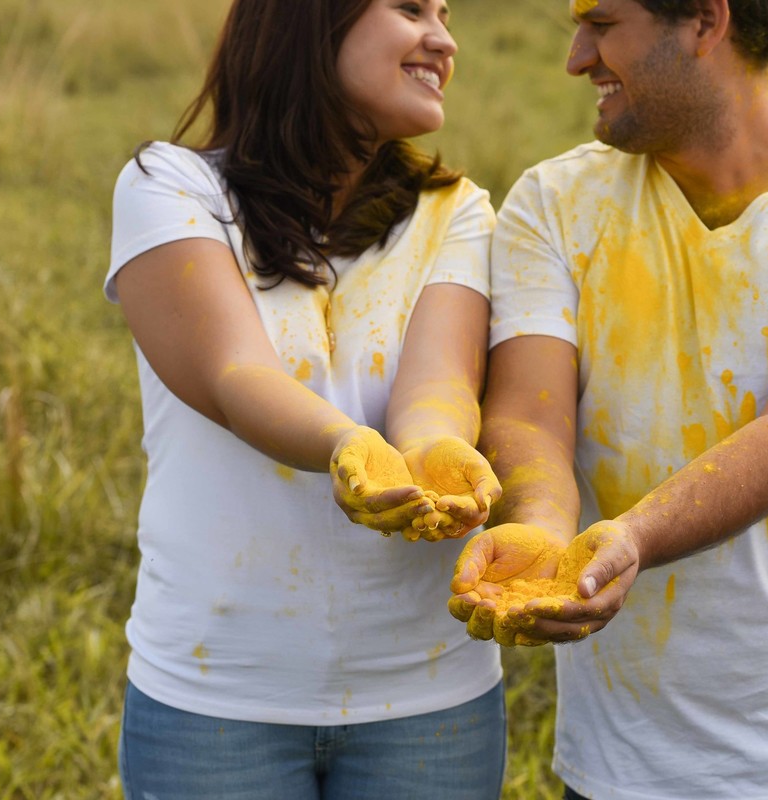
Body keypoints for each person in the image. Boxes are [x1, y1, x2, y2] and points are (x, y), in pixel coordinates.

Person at [449, 1, 768, 798]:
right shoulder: (552, 203)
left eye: (603, 24)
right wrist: (545, 534)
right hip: (630, 763)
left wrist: (631, 538)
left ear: (704, 21)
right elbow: (528, 414)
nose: (577, 58)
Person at [105, 0, 506, 797]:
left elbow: (439, 383)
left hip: (430, 698)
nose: (443, 38)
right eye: (409, 8)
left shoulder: (456, 211)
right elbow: (236, 376)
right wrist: (345, 447)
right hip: (216, 699)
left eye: (446, 13)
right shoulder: (172, 188)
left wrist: (437, 449)